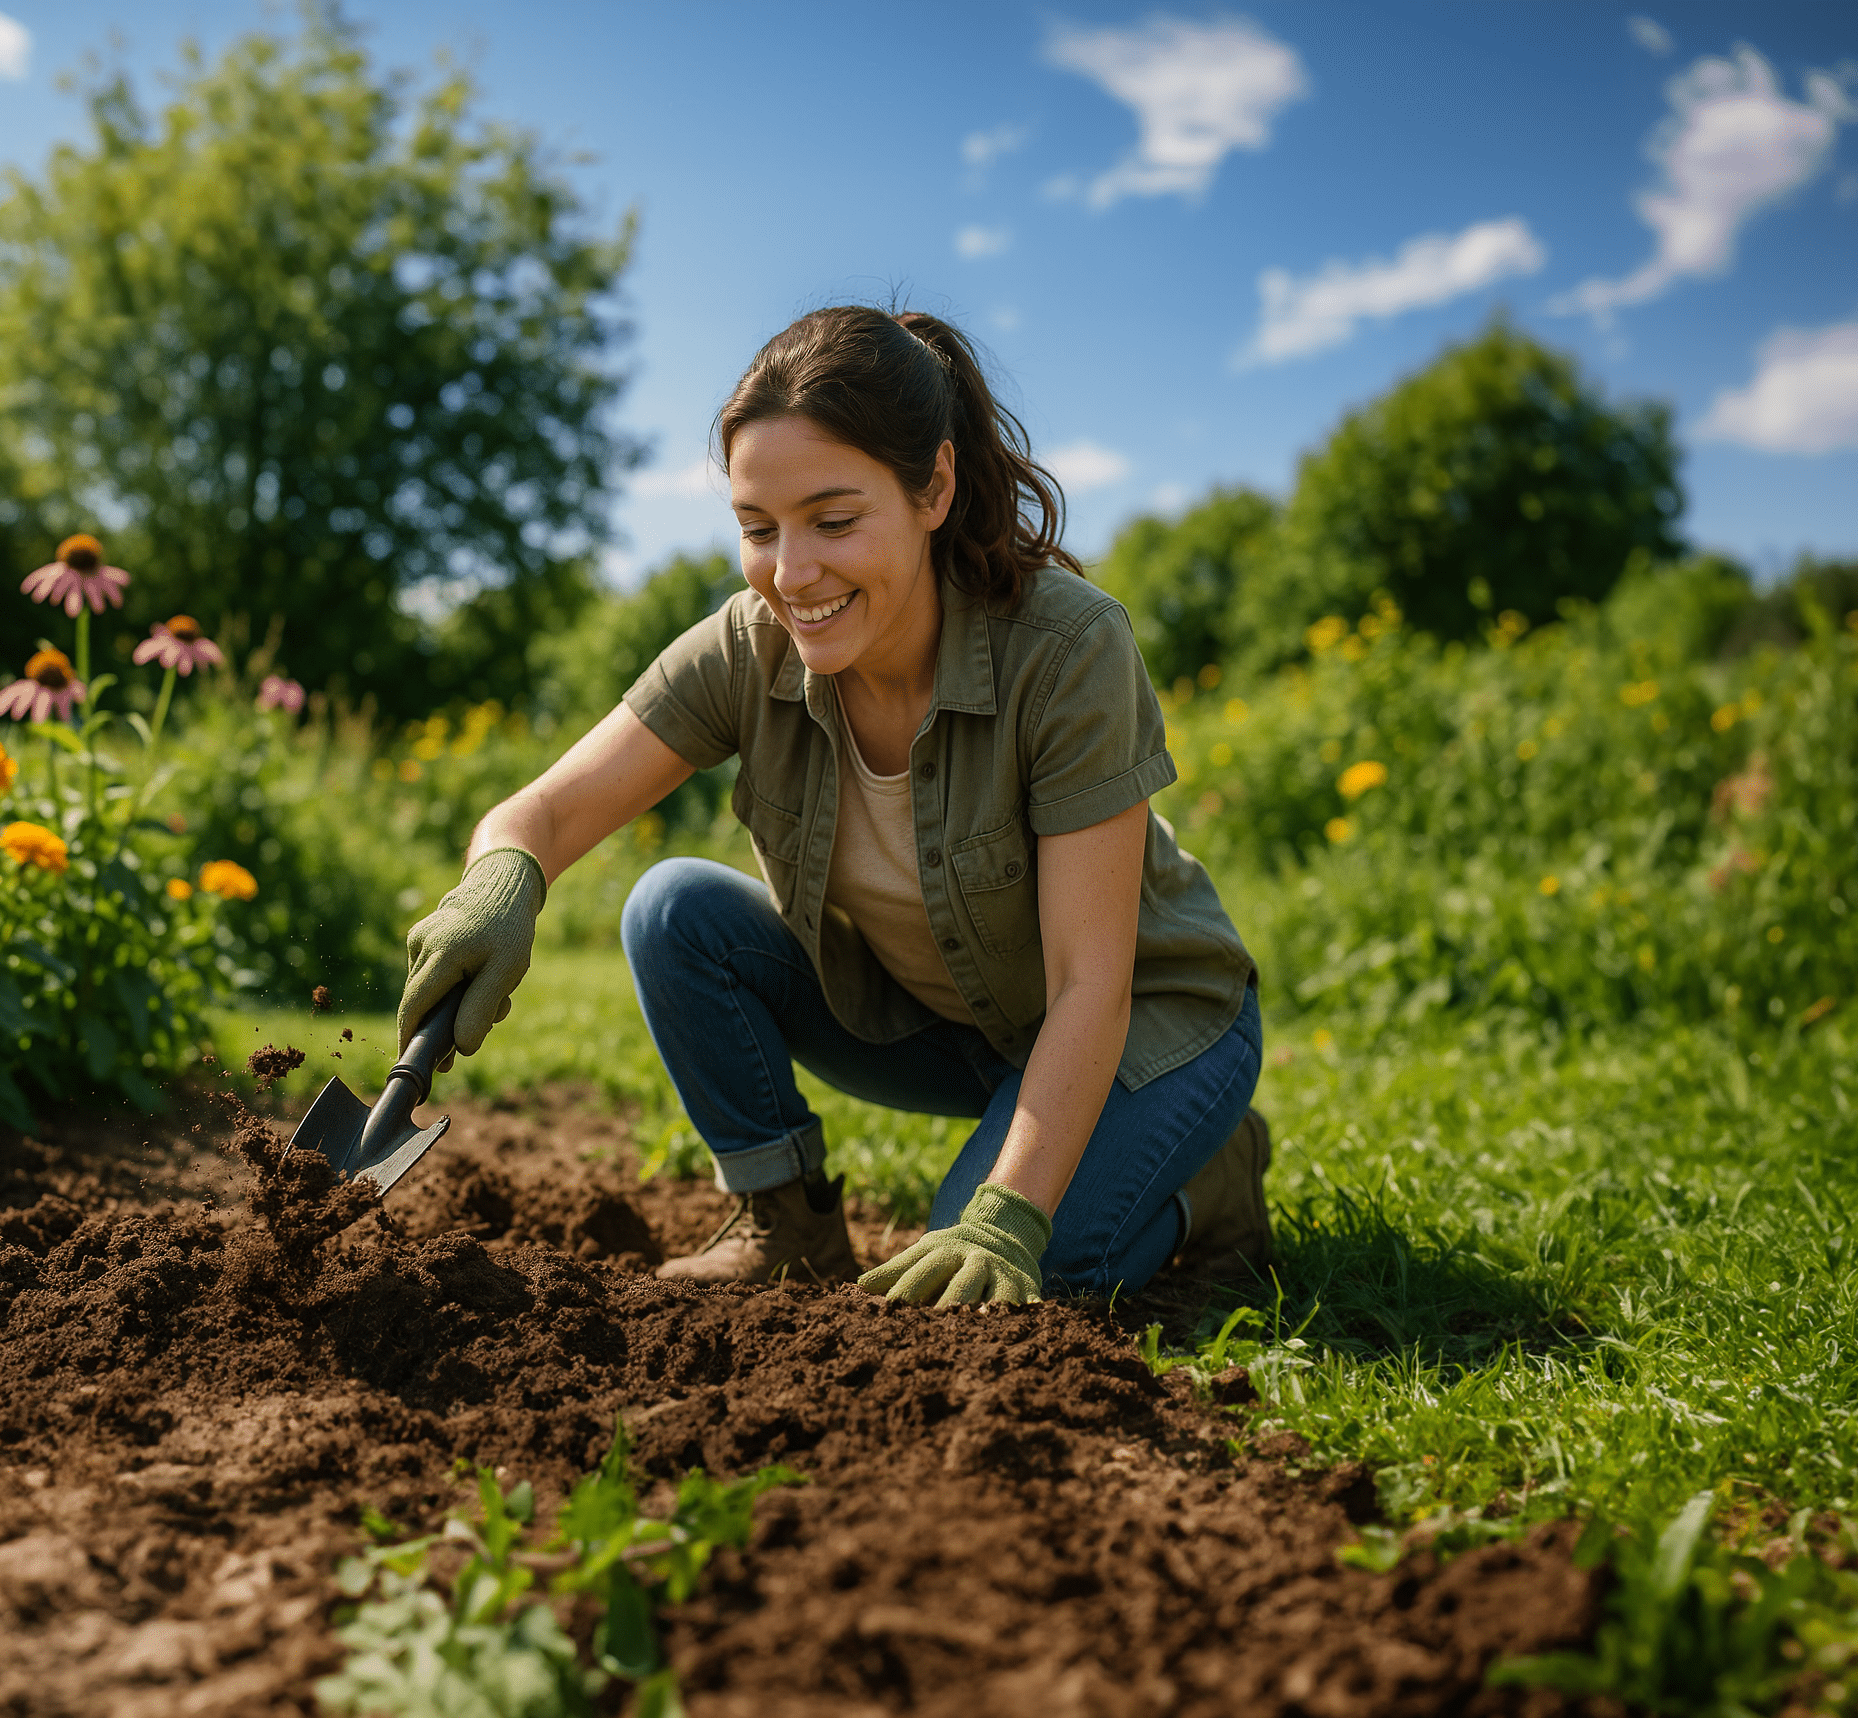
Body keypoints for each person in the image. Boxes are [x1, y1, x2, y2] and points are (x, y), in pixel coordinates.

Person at [396, 306, 1268, 1307]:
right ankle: (786, 1222)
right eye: (757, 529)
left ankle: (1211, 1178)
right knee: (675, 908)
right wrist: (501, 882)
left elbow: (1089, 982)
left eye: (834, 520)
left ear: (934, 487)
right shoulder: (746, 646)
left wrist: (1006, 1214)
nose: (791, 572)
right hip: (951, 1027)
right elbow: (539, 812)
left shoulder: (1067, 650)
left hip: (1151, 1021)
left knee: (1012, 1270)